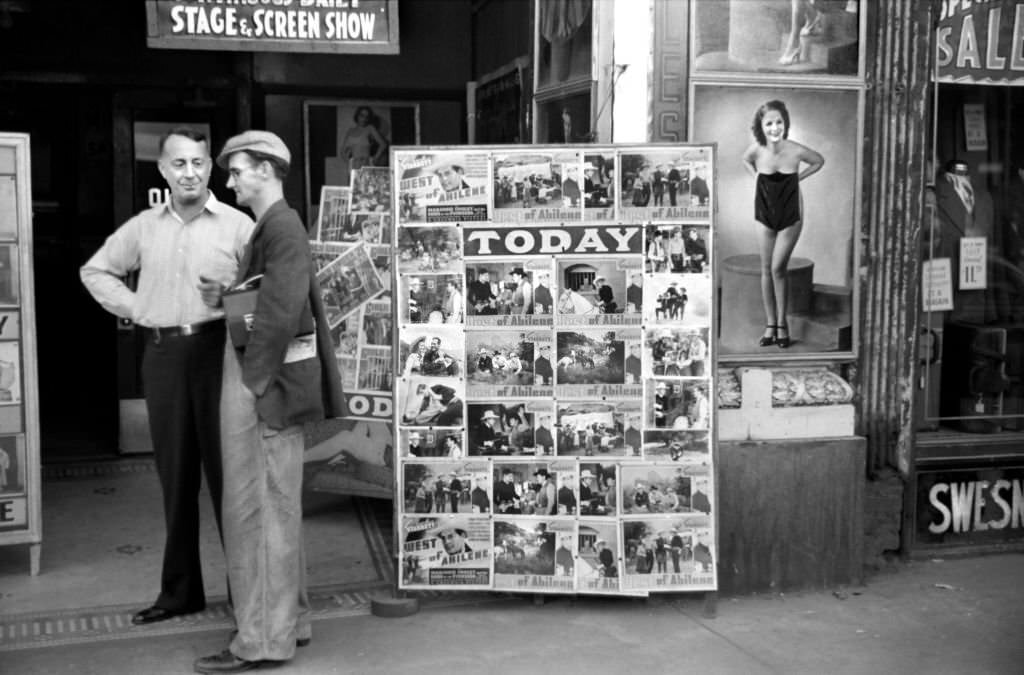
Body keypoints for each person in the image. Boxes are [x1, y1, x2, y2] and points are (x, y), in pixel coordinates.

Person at [80, 126, 255, 628]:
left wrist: (233, 294)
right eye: (179, 164)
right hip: (163, 355)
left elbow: (264, 291)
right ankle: (180, 593)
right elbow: (95, 272)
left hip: (220, 353)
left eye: (199, 162)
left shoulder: (238, 226)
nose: (190, 172)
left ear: (210, 168)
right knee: (176, 479)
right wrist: (138, 307)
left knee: (231, 480)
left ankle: (247, 596)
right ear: (163, 171)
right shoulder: (143, 227)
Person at [194, 130, 347, 673]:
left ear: (266, 169)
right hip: (272, 383)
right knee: (278, 508)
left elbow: (280, 313)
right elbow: (268, 300)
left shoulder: (279, 226)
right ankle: (291, 622)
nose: (229, 180)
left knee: (255, 513)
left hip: (262, 386)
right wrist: (227, 297)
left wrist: (251, 384)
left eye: (237, 171)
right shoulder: (278, 226)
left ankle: (259, 641)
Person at [742, 100, 824, 349]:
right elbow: (745, 160)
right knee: (767, 268)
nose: (775, 127)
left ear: (785, 124)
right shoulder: (756, 150)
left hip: (791, 210)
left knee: (779, 267)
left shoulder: (796, 150)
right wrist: (755, 176)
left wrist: (798, 178)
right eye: (769, 123)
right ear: (761, 126)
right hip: (764, 209)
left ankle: (782, 323)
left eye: (779, 122)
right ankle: (770, 325)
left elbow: (819, 160)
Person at [339, 105, 388, 176]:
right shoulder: (350, 131)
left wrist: (375, 158)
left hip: (366, 165)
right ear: (357, 116)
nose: (364, 119)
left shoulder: (369, 128)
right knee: (353, 186)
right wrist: (349, 162)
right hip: (353, 167)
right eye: (362, 115)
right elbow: (342, 151)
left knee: (366, 186)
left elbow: (383, 144)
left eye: (366, 117)